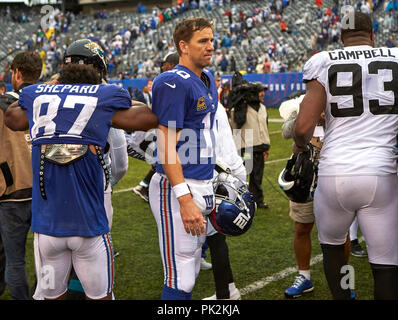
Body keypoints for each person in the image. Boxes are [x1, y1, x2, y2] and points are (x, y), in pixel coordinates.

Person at [5, 48, 158, 300]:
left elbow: (12, 117)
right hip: (89, 227)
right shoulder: (104, 94)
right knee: (101, 296)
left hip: (47, 230)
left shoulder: (36, 94)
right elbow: (147, 117)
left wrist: (49, 86)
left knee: (51, 295)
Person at [293, 11, 398, 300]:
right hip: (380, 173)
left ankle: (344, 295)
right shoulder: (394, 56)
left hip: (334, 173)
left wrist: (300, 146)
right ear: (372, 34)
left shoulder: (324, 60)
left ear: (341, 37)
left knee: (334, 250)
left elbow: (303, 127)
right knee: (386, 265)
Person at [148, 17, 218, 300]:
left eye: (211, 40)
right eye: (203, 41)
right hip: (177, 185)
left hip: (202, 180)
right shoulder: (173, 81)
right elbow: (166, 145)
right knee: (181, 275)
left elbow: (206, 132)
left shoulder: (206, 77)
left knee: (191, 268)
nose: (210, 46)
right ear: (183, 46)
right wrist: (184, 197)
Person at [0, 51, 42, 300]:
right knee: (45, 258)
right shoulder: (48, 101)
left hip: (11, 192)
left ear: (16, 73)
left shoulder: (4, 103)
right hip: (44, 191)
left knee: (15, 260)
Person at [230, 73, 271, 209]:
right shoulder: (241, 108)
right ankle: (240, 200)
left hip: (260, 148)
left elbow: (264, 127)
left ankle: (257, 201)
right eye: (260, 92)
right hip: (247, 149)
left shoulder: (263, 108)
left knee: (257, 176)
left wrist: (266, 146)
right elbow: (234, 127)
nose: (262, 94)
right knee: (245, 174)